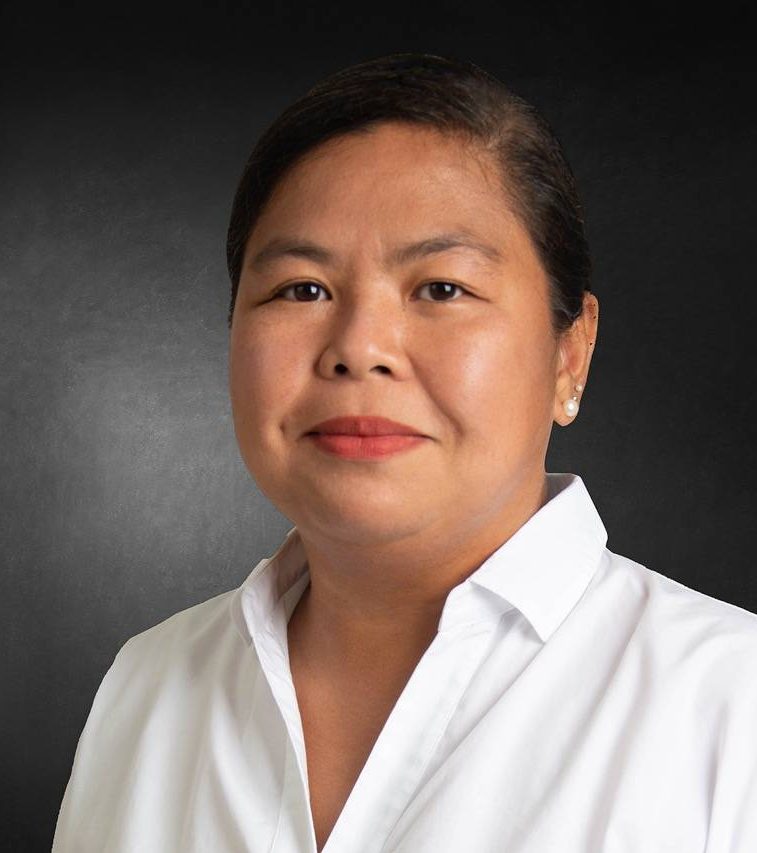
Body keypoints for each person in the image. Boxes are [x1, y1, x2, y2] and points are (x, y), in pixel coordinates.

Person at [53, 53, 757, 853]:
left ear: (570, 354)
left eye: (441, 288)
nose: (358, 348)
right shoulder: (146, 684)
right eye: (301, 289)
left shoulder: (732, 706)